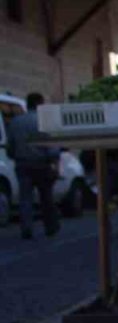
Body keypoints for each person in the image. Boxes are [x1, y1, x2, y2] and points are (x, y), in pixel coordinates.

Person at [6, 93, 61, 239]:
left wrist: (15, 156)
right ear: (40, 104)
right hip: (42, 164)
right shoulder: (44, 122)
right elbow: (52, 147)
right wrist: (54, 164)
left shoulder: (15, 122)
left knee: (25, 198)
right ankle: (50, 227)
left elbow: (10, 147)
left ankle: (26, 228)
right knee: (46, 198)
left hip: (23, 164)